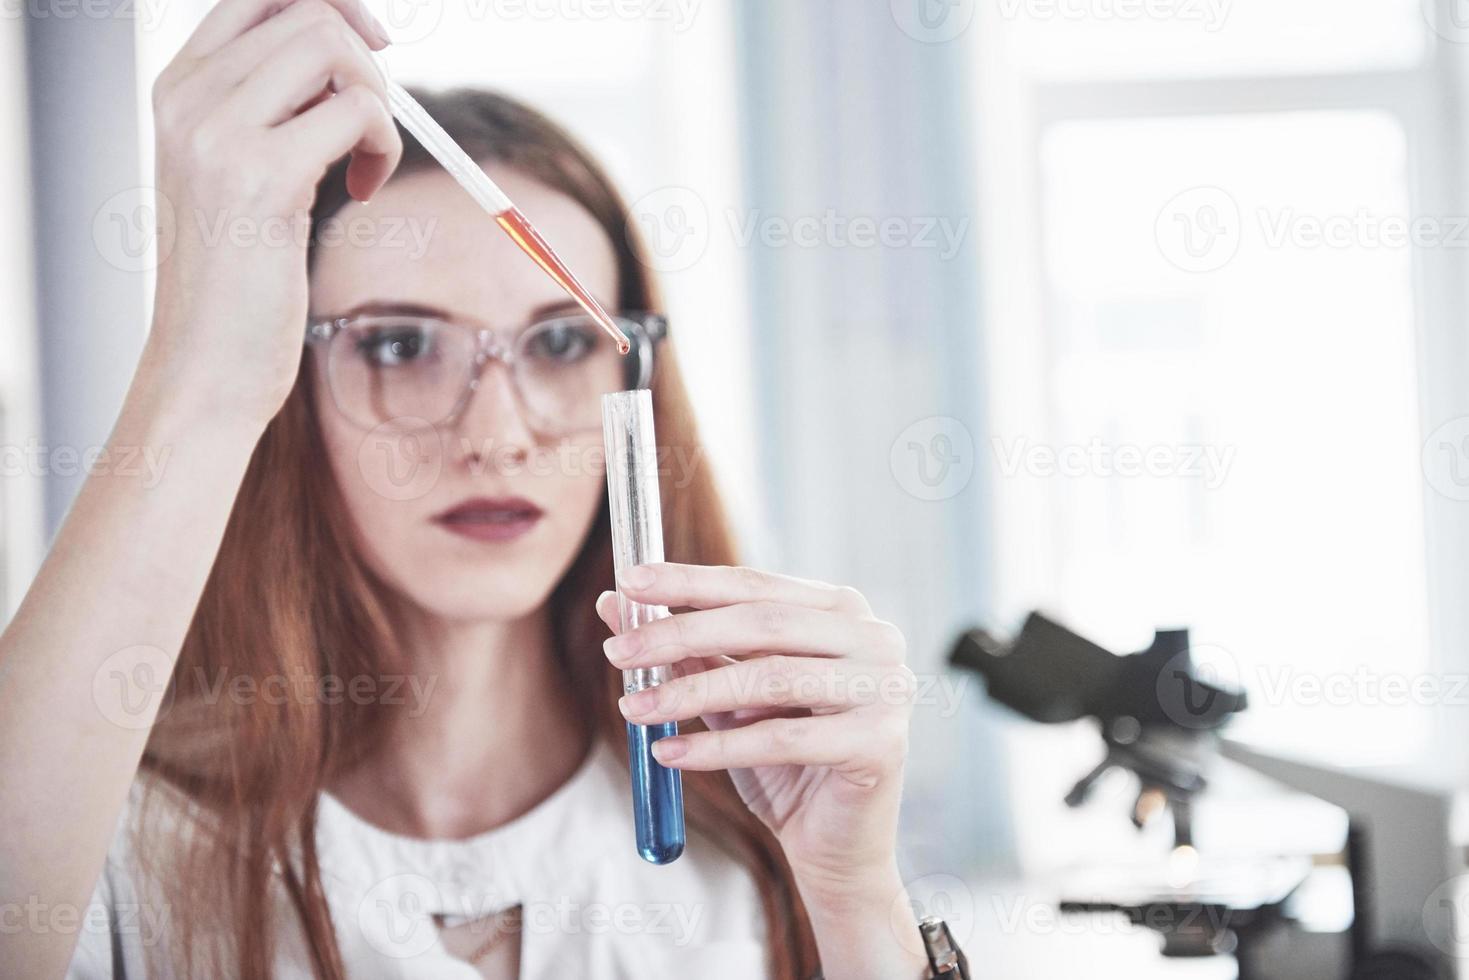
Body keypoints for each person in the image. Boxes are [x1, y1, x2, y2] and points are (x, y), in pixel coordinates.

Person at [0, 1, 926, 976]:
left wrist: (858, 899)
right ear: (290, 390)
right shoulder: (106, 835)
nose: (495, 435)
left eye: (562, 339)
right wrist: (196, 373)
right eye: (399, 344)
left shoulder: (755, 828)